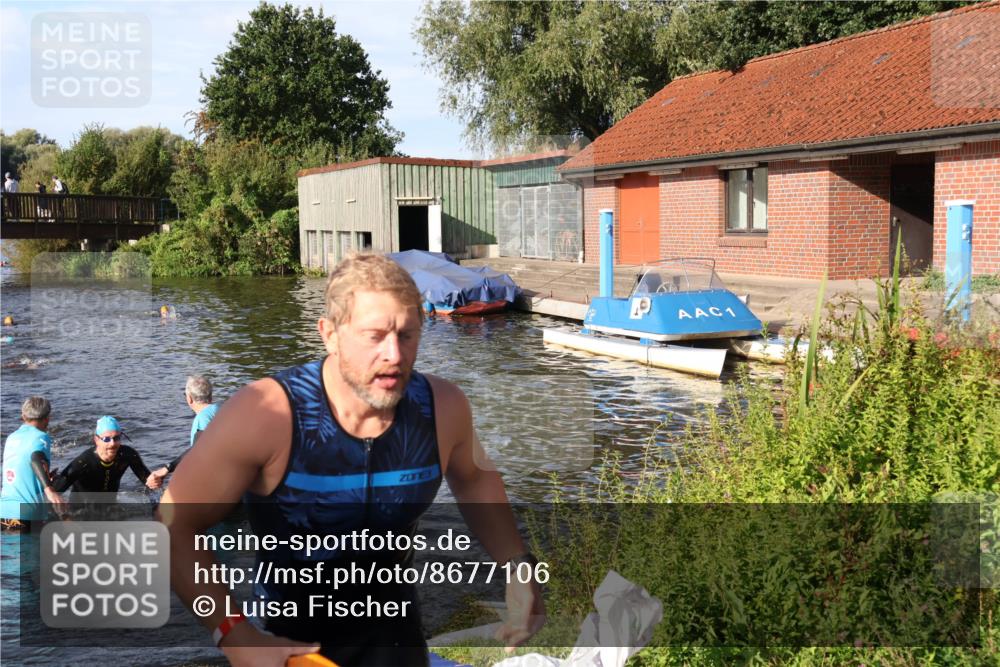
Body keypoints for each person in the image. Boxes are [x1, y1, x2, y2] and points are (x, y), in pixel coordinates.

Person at [160, 254, 544, 667]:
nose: (394, 355)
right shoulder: (267, 414)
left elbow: (474, 478)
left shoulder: (442, 407)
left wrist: (517, 563)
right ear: (330, 335)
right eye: (374, 336)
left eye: (408, 334)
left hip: (396, 639)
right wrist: (234, 633)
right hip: (290, 648)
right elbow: (173, 526)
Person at [51, 416, 163, 496]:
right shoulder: (83, 462)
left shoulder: (128, 455)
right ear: (96, 440)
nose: (112, 443)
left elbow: (149, 483)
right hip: (81, 512)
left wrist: (156, 483)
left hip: (110, 508)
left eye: (116, 438)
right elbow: (54, 493)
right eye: (106, 439)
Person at [0, 397, 66, 528]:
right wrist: (49, 489)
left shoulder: (11, 437)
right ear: (47, 418)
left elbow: (22, 469)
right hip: (28, 513)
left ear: (23, 416)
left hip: (4, 512)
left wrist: (45, 478)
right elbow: (36, 458)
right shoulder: (41, 437)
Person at [148, 375, 218, 483]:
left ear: (189, 398)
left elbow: (198, 451)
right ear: (211, 396)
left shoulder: (202, 419)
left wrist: (167, 468)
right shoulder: (222, 409)